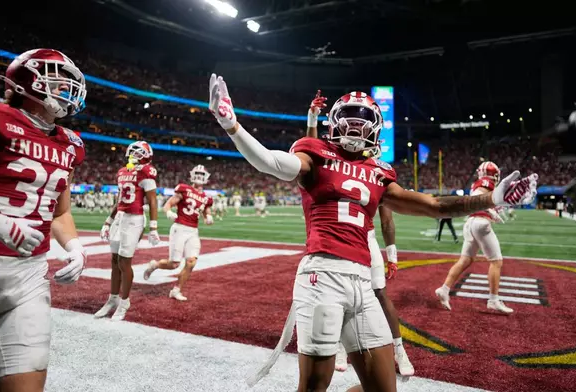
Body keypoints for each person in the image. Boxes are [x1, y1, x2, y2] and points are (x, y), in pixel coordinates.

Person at [209, 74, 537, 392]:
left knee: (382, 388)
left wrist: (493, 198)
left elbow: (434, 206)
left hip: (363, 282)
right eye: (348, 115)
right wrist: (232, 125)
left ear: (376, 126)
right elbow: (270, 162)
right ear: (333, 122)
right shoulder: (316, 154)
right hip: (322, 277)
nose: (355, 123)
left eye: (363, 116)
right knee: (312, 386)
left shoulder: (378, 172)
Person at [0, 48, 88, 392]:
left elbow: (60, 211)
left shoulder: (70, 144)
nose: (66, 91)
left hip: (30, 277)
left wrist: (76, 246)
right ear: (28, 83)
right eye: (59, 82)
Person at [306, 92, 414, 377]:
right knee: (336, 297)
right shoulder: (332, 161)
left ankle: (399, 348)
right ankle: (340, 346)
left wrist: (391, 254)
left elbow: (387, 219)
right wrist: (312, 120)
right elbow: (311, 156)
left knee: (378, 292)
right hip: (336, 244)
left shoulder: (378, 170)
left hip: (365, 239)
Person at [436, 161, 514, 314]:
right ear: (492, 174)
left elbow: (479, 198)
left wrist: (493, 210)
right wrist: (491, 212)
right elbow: (478, 196)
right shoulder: (486, 182)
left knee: (465, 260)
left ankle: (444, 289)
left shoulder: (477, 183)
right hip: (480, 223)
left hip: (470, 223)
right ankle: (493, 299)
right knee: (496, 261)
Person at [95, 141, 160, 321]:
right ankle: (112, 299)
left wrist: (153, 227)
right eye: (132, 152)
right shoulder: (123, 172)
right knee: (114, 260)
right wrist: (107, 221)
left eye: (137, 152)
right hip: (120, 217)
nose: (133, 155)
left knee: (124, 262)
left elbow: (152, 201)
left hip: (135, 219)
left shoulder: (147, 171)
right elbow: (119, 200)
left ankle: (124, 302)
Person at [143, 165, 214, 301]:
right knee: (174, 264)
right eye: (197, 173)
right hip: (180, 228)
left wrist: (208, 218)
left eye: (202, 174)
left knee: (191, 262)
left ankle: (176, 290)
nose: (199, 176)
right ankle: (155, 265)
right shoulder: (184, 189)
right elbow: (168, 204)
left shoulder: (207, 198)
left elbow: (206, 212)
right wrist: (169, 212)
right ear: (192, 175)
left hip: (193, 231)